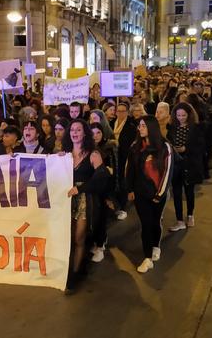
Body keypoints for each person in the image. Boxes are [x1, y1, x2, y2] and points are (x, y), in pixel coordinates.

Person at [126, 115, 173, 273]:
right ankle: (147, 257)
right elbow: (130, 169)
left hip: (158, 193)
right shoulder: (135, 146)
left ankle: (155, 246)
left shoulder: (164, 147)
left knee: (155, 221)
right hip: (141, 193)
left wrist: (159, 194)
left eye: (143, 126)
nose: (140, 128)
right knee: (145, 223)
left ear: (151, 127)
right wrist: (130, 189)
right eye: (139, 126)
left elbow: (167, 171)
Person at [63, 119, 105, 291]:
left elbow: (102, 177)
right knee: (68, 238)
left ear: (85, 133)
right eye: (72, 129)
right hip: (65, 201)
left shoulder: (93, 154)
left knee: (79, 237)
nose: (75, 132)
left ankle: (76, 273)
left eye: (78, 129)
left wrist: (81, 188)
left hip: (83, 201)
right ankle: (66, 269)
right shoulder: (63, 154)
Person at [167, 103, 205, 231]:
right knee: (176, 192)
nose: (181, 118)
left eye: (183, 115)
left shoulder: (196, 128)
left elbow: (201, 146)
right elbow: (168, 141)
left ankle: (190, 215)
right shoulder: (172, 127)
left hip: (190, 163)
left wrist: (186, 148)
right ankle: (179, 220)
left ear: (189, 115)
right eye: (178, 115)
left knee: (189, 191)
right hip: (176, 164)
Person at [90, 122, 118, 262]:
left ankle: (100, 246)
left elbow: (113, 172)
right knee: (93, 218)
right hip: (91, 189)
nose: (95, 136)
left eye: (98, 133)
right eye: (92, 133)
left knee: (101, 218)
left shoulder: (109, 148)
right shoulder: (86, 148)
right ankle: (96, 242)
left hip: (104, 189)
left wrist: (111, 194)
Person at [111, 102, 136, 220]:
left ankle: (123, 207)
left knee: (123, 181)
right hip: (113, 157)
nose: (120, 113)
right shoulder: (112, 123)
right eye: (118, 111)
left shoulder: (131, 125)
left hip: (124, 156)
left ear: (127, 112)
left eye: (123, 111)